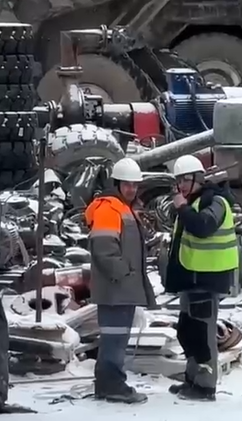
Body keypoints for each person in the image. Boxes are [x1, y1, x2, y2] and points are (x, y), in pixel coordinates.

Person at [163, 155, 239, 401]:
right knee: (188, 331)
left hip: (207, 280)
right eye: (179, 181)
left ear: (198, 178)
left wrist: (181, 207)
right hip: (191, 278)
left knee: (203, 335)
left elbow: (203, 227)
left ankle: (205, 386)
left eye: (186, 180)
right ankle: (192, 379)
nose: (182, 185)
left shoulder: (215, 202)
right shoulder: (193, 203)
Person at [85, 157, 156, 404]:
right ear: (116, 184)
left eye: (135, 185)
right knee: (114, 339)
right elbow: (104, 250)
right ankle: (112, 384)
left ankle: (109, 383)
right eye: (127, 185)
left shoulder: (123, 208)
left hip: (121, 288)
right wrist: (125, 272)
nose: (132, 189)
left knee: (117, 338)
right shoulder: (109, 208)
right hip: (116, 289)